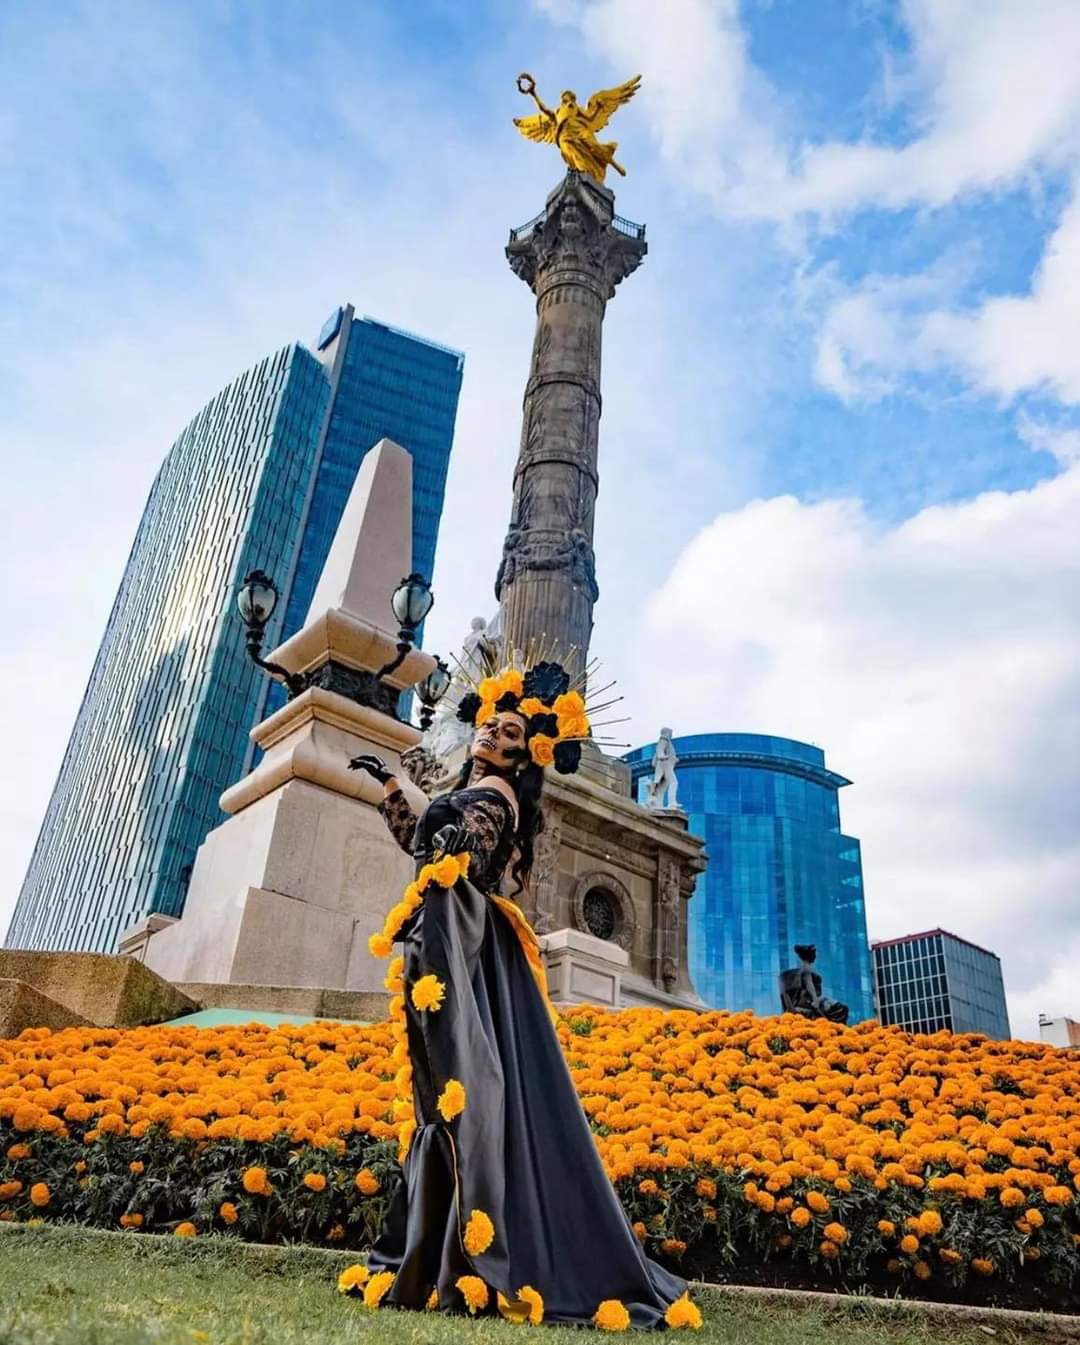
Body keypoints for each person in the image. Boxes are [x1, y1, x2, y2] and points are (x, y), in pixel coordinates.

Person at [347, 661, 693, 1328]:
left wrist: (440, 824)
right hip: (457, 943)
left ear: (520, 753)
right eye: (488, 725)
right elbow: (430, 843)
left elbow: (462, 856)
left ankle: (477, 1247)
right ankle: (450, 1243)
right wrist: (392, 782)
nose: (488, 734)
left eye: (505, 731)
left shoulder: (498, 799)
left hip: (471, 951)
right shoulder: (472, 792)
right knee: (451, 1088)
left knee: (469, 1086)